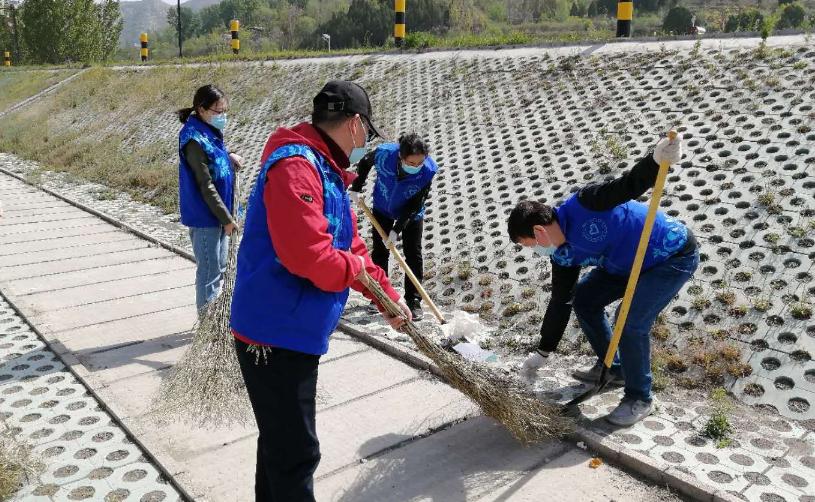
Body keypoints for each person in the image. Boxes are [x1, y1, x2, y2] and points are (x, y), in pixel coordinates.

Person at [230, 80, 411, 502]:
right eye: (367, 130)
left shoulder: (325, 169)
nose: (366, 141)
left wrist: (385, 296)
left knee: (280, 445)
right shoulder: (297, 167)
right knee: (296, 452)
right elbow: (310, 258)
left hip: (291, 329)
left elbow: (350, 245)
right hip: (274, 336)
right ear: (353, 124)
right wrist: (354, 273)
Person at [508, 135, 697, 426]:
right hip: (624, 264)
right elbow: (561, 301)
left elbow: (627, 185)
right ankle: (616, 369)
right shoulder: (562, 256)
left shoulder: (585, 204)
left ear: (539, 231)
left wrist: (656, 160)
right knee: (584, 299)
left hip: (668, 256)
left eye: (529, 244)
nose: (534, 250)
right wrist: (543, 351)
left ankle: (639, 397)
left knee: (631, 320)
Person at [347, 133, 437, 320]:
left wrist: (397, 230)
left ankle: (413, 301)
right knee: (380, 251)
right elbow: (364, 162)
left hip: (411, 214)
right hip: (383, 207)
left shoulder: (428, 170)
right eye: (411, 163)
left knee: (413, 254)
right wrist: (357, 186)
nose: (416, 167)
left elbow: (416, 203)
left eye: (419, 163)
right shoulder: (384, 153)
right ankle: (379, 296)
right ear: (401, 157)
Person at [177, 84, 244, 314]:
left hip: (220, 214)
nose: (223, 116)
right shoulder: (193, 139)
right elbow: (205, 184)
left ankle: (214, 317)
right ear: (202, 109)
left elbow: (215, 155)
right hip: (206, 216)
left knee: (221, 267)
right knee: (209, 272)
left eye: (225, 110)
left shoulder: (208, 130)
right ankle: (207, 324)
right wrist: (226, 218)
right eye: (218, 111)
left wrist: (229, 154)